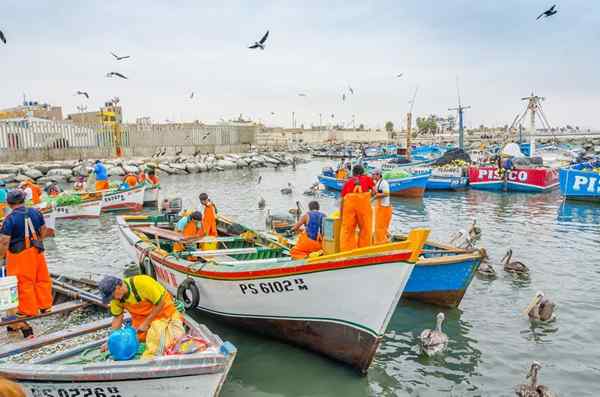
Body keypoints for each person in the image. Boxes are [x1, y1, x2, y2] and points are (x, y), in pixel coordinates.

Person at [0, 190, 53, 338]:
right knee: (42, 279)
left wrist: (1, 257)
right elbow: (44, 230)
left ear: (9, 204)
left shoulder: (9, 219)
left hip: (19, 254)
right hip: (37, 251)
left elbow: (4, 242)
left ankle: (27, 311)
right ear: (24, 200)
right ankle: (45, 306)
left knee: (24, 283)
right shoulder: (36, 212)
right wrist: (38, 241)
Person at [99, 275, 181, 343]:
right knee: (133, 340)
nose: (113, 299)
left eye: (112, 296)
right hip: (141, 321)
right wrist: (111, 340)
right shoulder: (115, 300)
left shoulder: (143, 283)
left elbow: (161, 303)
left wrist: (146, 323)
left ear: (118, 288)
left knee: (170, 339)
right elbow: (117, 318)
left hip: (165, 313)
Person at [339, 164, 375, 251]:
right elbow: (374, 191)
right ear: (363, 172)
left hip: (349, 207)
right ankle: (364, 250)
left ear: (353, 173)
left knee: (348, 229)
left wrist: (341, 215)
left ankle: (347, 250)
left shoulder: (347, 182)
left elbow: (342, 200)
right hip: (364, 206)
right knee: (365, 229)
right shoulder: (367, 179)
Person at [372, 169, 392, 244]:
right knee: (378, 227)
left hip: (384, 208)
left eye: (373, 174)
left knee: (380, 227)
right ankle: (382, 239)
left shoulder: (384, 183)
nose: (372, 176)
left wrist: (376, 196)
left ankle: (381, 242)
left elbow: (386, 194)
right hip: (379, 207)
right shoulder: (376, 183)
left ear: (378, 175)